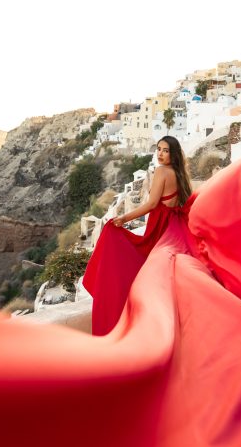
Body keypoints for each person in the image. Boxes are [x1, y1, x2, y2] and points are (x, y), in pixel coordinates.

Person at [82, 135, 193, 335]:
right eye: (158, 149)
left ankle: (130, 320)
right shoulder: (180, 173)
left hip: (160, 227)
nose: (160, 154)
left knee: (134, 263)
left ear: (173, 153)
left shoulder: (162, 172)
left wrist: (124, 218)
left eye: (165, 150)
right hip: (174, 227)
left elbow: (151, 205)